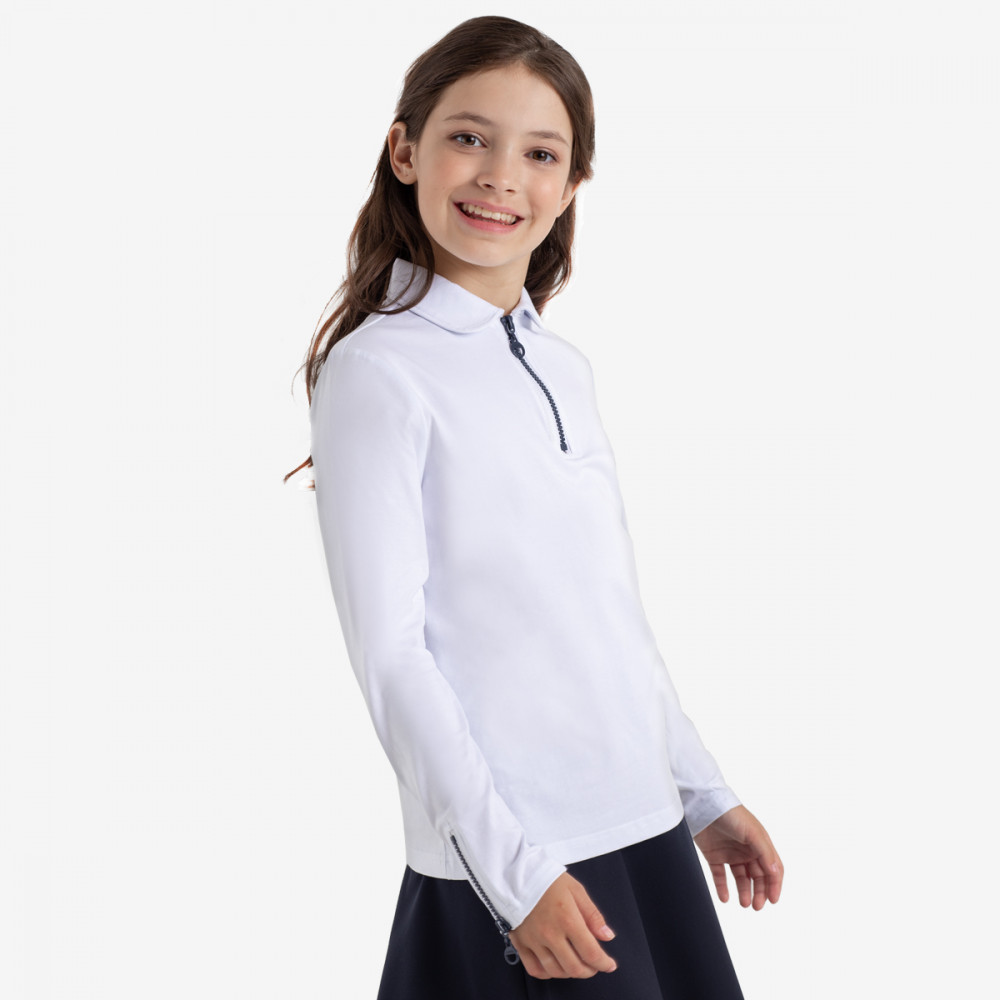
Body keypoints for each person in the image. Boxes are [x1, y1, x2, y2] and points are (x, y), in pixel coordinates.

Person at [286, 15, 783, 999]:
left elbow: (605, 619)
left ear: (570, 185)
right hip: (527, 860)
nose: (500, 176)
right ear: (404, 151)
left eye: (540, 153)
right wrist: (518, 879)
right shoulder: (379, 372)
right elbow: (391, 657)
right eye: (469, 137)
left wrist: (699, 792)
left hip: (643, 832)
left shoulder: (561, 366)